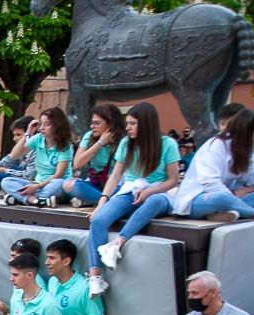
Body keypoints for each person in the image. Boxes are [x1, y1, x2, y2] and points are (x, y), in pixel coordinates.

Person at [88, 103, 182, 296]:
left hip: (159, 193)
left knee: (154, 201)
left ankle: (116, 245)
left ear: (146, 124)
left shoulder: (168, 144)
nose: (128, 128)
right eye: (127, 123)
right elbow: (115, 176)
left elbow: (173, 180)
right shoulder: (126, 143)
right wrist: (102, 201)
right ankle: (95, 277)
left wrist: (150, 191)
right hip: (131, 190)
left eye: (132, 123)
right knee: (98, 220)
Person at [171, 108, 254, 222]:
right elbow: (210, 183)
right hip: (198, 200)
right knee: (222, 198)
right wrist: (233, 194)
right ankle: (248, 213)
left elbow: (248, 180)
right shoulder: (216, 145)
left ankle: (231, 213)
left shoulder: (245, 149)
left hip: (229, 197)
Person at [2, 108, 75, 207]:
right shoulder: (38, 138)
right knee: (6, 182)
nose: (42, 128)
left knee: (58, 183)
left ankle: (22, 199)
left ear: (57, 126)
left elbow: (59, 174)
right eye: (41, 124)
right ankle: (36, 200)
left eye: (47, 124)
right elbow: (14, 155)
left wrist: (36, 187)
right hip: (37, 183)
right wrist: (28, 133)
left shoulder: (66, 146)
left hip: (54, 185)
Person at [62, 105, 124, 208]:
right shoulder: (89, 136)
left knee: (120, 192)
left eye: (97, 123)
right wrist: (100, 143)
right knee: (68, 185)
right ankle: (107, 203)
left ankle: (98, 201)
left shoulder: (123, 141)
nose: (92, 126)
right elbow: (77, 164)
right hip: (96, 183)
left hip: (116, 186)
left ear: (110, 124)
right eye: (92, 123)